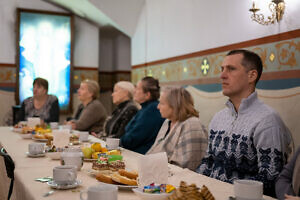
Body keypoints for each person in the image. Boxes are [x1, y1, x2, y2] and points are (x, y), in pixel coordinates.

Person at [196, 49, 292, 197]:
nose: (222, 75)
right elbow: (208, 161)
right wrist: (195, 188)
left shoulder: (267, 120)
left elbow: (270, 179)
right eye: (222, 69)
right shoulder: (218, 118)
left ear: (251, 75)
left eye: (231, 69)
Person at [147, 86, 207, 171]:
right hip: (155, 172)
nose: (158, 107)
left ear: (175, 105)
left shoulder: (192, 124)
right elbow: (154, 150)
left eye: (162, 103)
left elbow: (186, 167)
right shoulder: (168, 121)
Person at [120, 76, 165, 154]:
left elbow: (132, 140)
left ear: (147, 94)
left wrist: (120, 141)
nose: (134, 91)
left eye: (137, 89)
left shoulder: (151, 110)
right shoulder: (146, 108)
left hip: (142, 156)